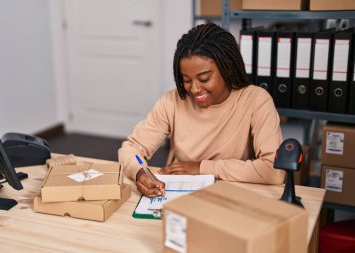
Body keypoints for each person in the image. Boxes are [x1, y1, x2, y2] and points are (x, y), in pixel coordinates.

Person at [118, 23, 284, 197]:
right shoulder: (172, 101)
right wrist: (140, 172)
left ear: (227, 68)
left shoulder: (256, 100)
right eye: (186, 80)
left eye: (204, 78)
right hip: (178, 193)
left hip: (229, 193)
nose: (195, 89)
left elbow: (273, 170)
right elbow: (131, 148)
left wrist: (202, 168)